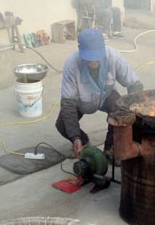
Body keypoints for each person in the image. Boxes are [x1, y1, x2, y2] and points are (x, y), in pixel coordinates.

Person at [55, 29, 143, 158]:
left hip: (107, 96)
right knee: (62, 124)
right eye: (89, 58)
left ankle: (110, 149)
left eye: (96, 57)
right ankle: (84, 142)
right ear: (79, 49)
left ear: (103, 47)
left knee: (120, 112)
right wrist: (75, 138)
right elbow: (68, 104)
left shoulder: (114, 56)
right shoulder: (71, 64)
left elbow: (134, 85)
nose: (93, 62)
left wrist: (135, 111)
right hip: (80, 102)